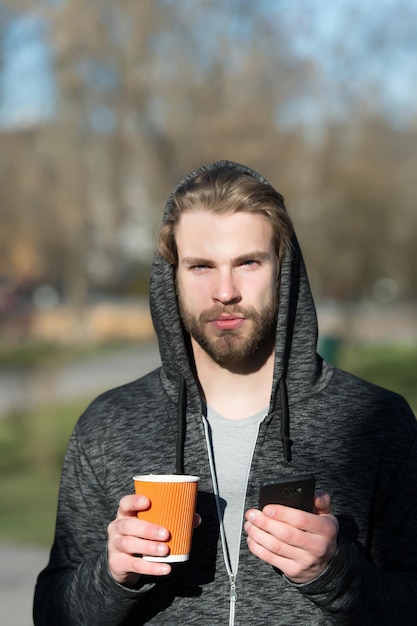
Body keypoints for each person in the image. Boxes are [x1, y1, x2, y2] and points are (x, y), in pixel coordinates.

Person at [33, 161, 417, 625]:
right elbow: (52, 610)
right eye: (201, 266)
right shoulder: (108, 424)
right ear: (171, 278)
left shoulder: (375, 420)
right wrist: (112, 576)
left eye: (247, 262)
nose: (225, 291)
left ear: (284, 269)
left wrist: (336, 574)